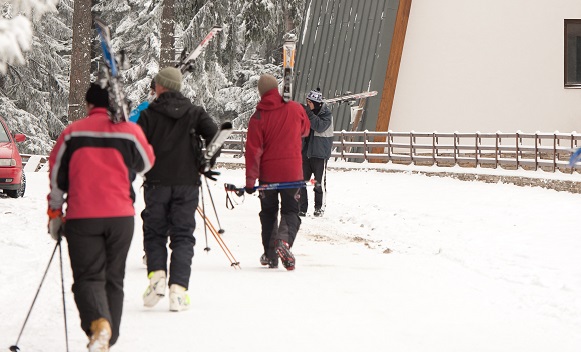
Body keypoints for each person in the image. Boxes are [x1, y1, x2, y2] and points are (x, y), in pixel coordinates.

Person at [47, 83, 155, 351]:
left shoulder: (72, 133)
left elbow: (57, 175)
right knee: (113, 279)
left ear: (88, 105)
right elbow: (147, 162)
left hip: (84, 217)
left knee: (88, 278)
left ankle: (99, 326)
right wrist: (127, 132)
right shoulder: (129, 131)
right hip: (121, 217)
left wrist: (54, 212)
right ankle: (107, 338)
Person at [137, 66, 218, 311]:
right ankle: (179, 290)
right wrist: (206, 162)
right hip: (187, 183)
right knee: (183, 235)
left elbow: (136, 145)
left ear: (161, 87)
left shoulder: (148, 115)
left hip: (156, 183)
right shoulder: (195, 113)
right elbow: (216, 136)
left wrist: (143, 166)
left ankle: (158, 277)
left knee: (155, 232)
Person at [245, 74, 310, 270]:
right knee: (291, 211)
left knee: (268, 213)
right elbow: (306, 130)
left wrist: (250, 181)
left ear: (260, 92)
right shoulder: (295, 108)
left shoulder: (257, 117)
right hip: (292, 174)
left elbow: (253, 152)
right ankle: (284, 241)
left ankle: (271, 254)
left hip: (268, 176)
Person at [300, 88, 333, 217]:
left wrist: (308, 113)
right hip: (305, 152)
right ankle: (301, 208)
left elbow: (319, 126)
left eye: (310, 102)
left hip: (320, 155)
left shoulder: (326, 115)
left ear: (316, 102)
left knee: (318, 183)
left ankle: (319, 208)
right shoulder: (307, 113)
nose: (307, 104)